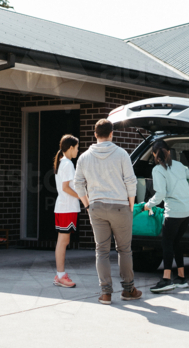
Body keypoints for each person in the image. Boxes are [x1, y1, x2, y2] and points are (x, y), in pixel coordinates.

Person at [72, 119, 142, 304]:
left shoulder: (84, 157)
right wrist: (131, 205)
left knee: (101, 251)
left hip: (96, 207)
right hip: (120, 206)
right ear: (112, 133)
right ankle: (128, 290)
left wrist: (87, 204)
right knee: (124, 250)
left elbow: (78, 183)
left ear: (95, 134)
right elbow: (131, 181)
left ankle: (105, 294)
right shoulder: (121, 154)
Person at [144, 139, 189, 293]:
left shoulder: (157, 170)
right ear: (168, 151)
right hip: (188, 211)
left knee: (167, 243)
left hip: (174, 212)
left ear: (154, 154)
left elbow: (160, 194)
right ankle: (181, 278)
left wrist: (148, 205)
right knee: (176, 242)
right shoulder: (179, 165)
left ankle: (166, 280)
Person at [52, 134, 81, 288]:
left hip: (65, 207)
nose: (77, 151)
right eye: (77, 148)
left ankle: (60, 274)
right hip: (66, 208)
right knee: (63, 242)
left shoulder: (64, 162)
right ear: (70, 148)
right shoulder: (68, 164)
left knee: (63, 241)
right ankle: (61, 275)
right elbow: (65, 188)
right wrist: (82, 197)